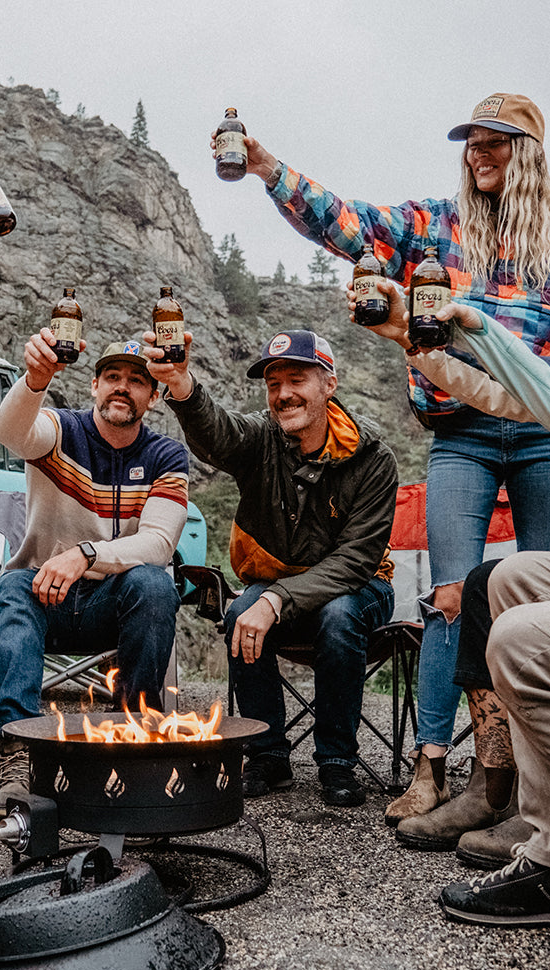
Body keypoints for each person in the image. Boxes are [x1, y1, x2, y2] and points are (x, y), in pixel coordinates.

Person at [224, 92, 550, 828]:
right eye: (471, 139)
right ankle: (435, 767)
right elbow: (349, 223)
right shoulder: (433, 224)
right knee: (449, 598)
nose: (479, 151)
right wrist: (268, 168)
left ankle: (529, 788)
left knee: (539, 604)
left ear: (527, 150)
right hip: (458, 433)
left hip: (541, 432)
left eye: (496, 140)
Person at [358, 285, 550, 923]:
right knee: (480, 587)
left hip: (536, 446)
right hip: (465, 426)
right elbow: (517, 393)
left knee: (521, 633)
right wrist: (417, 337)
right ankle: (485, 780)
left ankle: (536, 820)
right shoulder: (432, 246)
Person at [150, 328, 397, 806]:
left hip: (359, 587)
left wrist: (277, 598)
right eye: (273, 383)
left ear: (329, 384)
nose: (283, 394)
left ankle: (336, 762)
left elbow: (355, 560)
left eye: (297, 379)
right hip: (276, 583)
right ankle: (267, 756)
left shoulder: (373, 458)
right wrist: (181, 386)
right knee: (239, 610)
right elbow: (218, 434)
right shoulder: (262, 438)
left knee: (339, 614)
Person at [0, 333, 189, 827]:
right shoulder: (58, 428)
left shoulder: (167, 456)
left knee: (156, 585)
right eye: (113, 377)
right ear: (93, 385)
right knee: (10, 588)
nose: (123, 388)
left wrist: (86, 554)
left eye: (137, 381)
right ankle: (15, 752)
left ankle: (133, 740)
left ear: (153, 397)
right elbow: (11, 433)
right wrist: (35, 381)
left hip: (113, 607)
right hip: (44, 598)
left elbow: (159, 543)